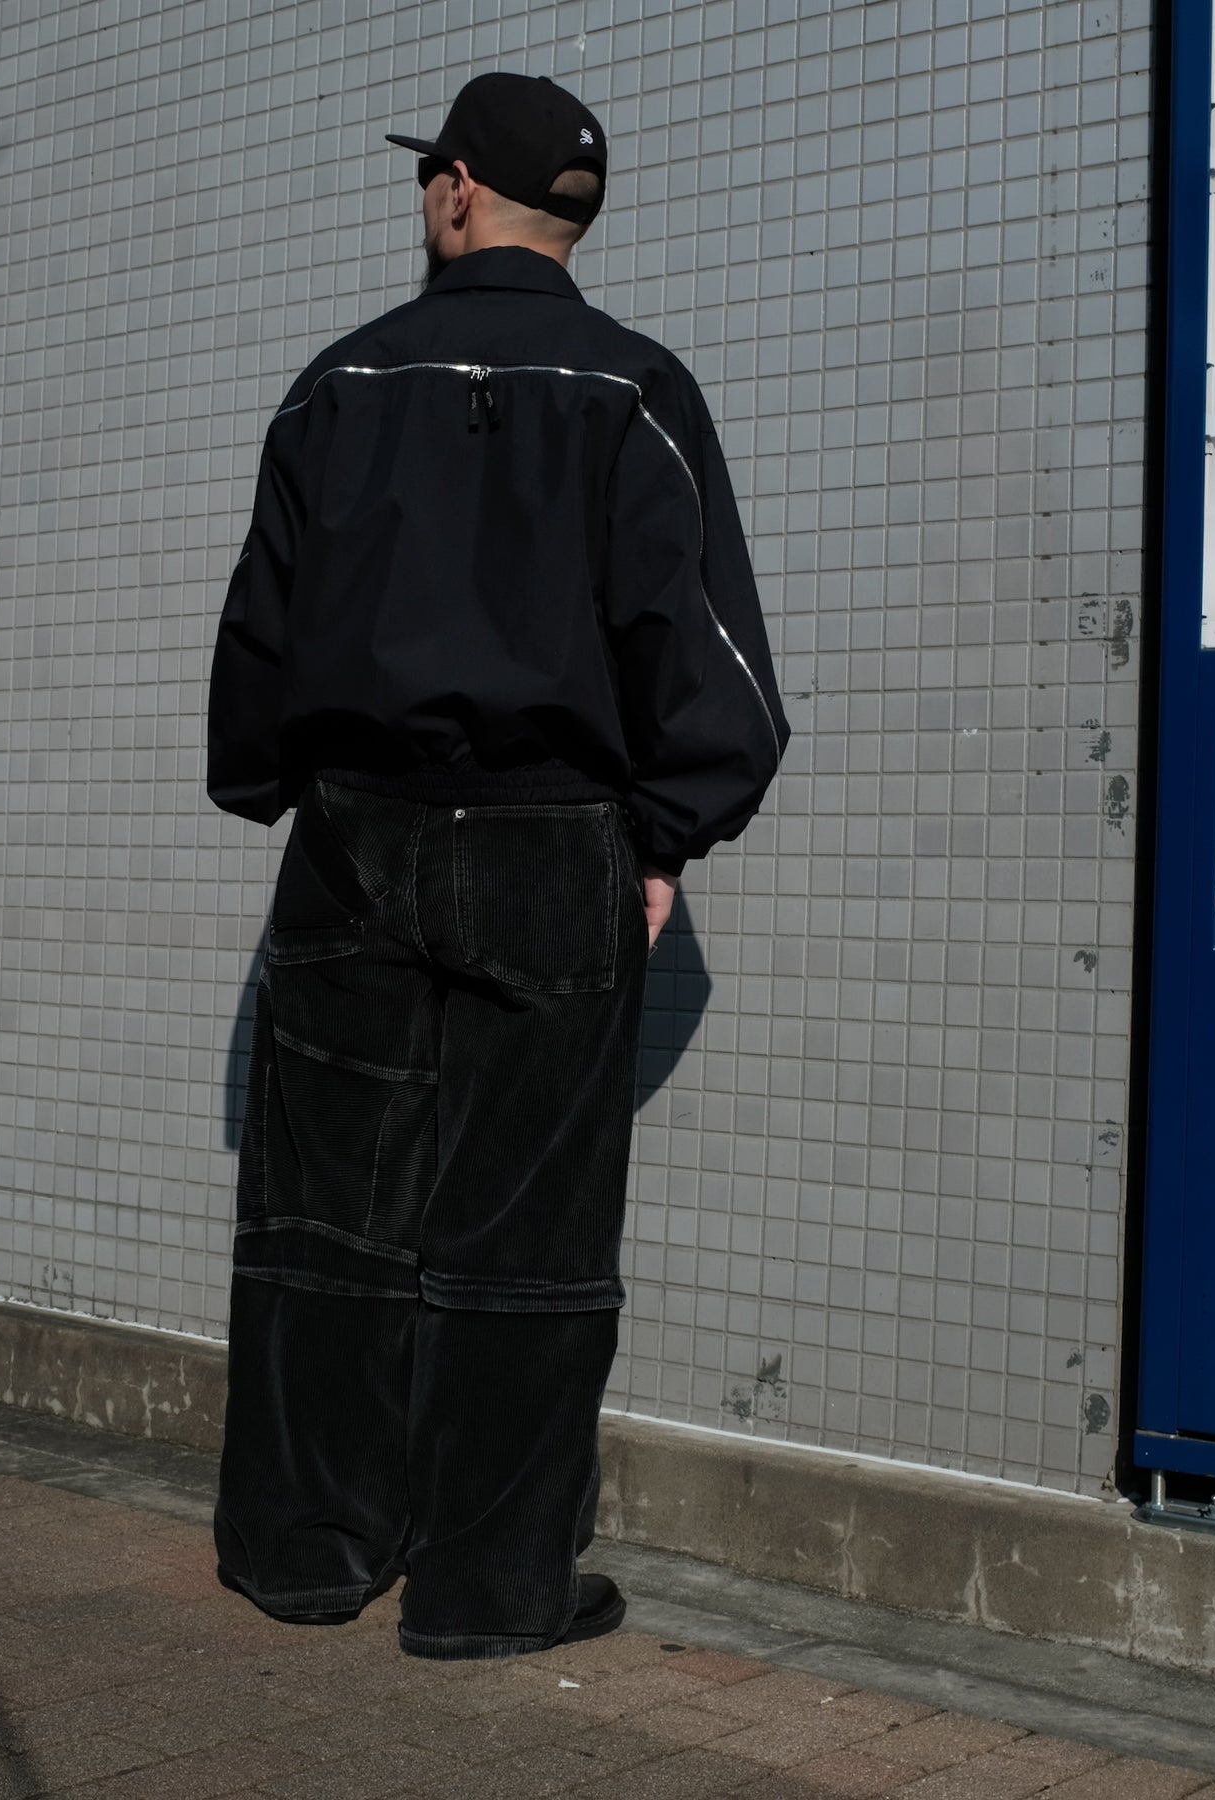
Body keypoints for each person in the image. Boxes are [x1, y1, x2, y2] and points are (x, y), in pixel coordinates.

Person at [205, 71, 788, 1661]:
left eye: (425, 183)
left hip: (357, 837)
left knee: (330, 1211)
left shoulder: (336, 388)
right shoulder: (637, 390)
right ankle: (489, 1589)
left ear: (457, 190)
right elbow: (713, 653)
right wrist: (663, 833)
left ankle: (308, 1548)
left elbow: (262, 630)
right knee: (526, 1231)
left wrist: (270, 784)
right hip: (552, 841)